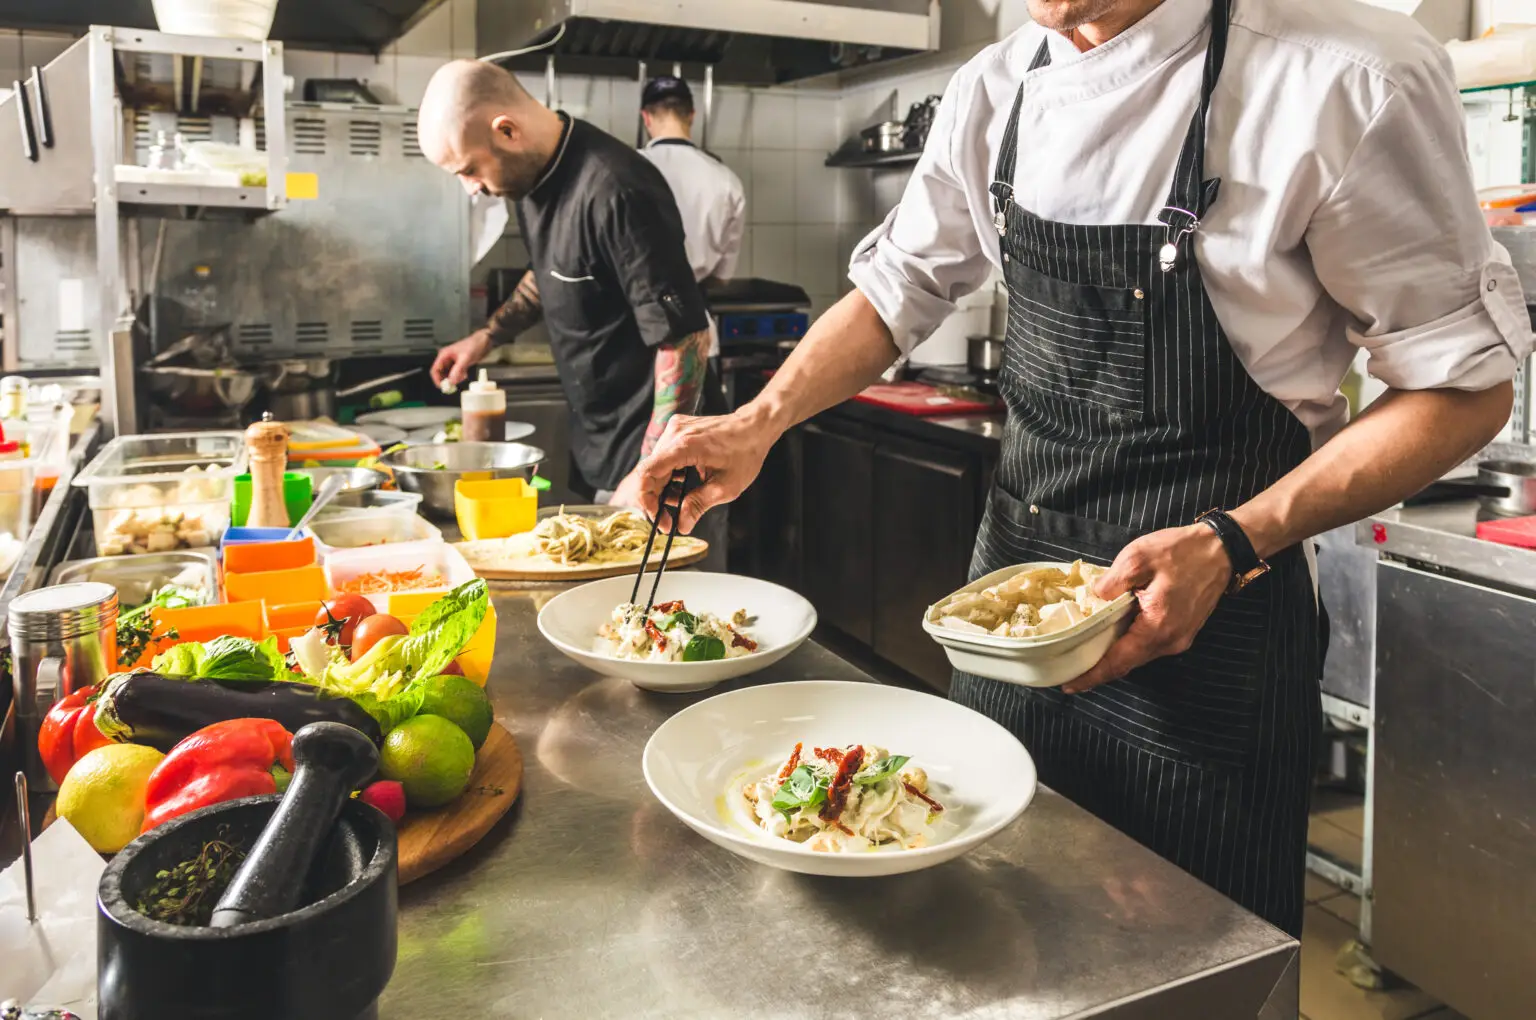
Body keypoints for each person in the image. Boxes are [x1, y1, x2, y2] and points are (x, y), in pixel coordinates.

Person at [637, 0, 1531, 937]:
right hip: (1008, 616)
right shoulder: (996, 86)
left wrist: (1232, 540)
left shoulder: (1345, 76)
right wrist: (756, 421)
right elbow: (898, 288)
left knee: (1189, 953)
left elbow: (1464, 389)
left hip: (1213, 622)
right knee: (980, 925)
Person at [419, 60, 722, 514]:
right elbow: (551, 270)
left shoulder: (616, 189)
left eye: (469, 170)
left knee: (677, 588)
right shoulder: (531, 182)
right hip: (599, 448)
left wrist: (651, 471)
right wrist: (486, 338)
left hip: (662, 462)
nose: (470, 188)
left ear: (506, 131)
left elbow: (685, 340)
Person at [638, 76, 747, 298]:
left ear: (646, 118)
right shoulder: (726, 179)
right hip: (695, 314)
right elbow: (721, 278)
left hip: (634, 316)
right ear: (691, 116)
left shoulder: (624, 168)